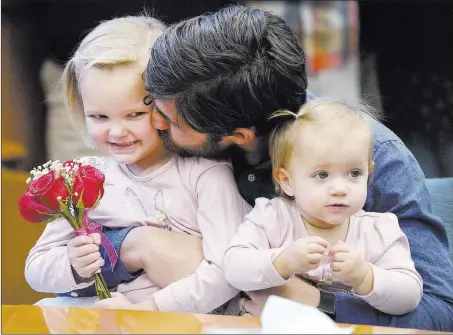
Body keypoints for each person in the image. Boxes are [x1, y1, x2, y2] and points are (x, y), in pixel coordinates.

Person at [124, 5, 452, 330]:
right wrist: (134, 243)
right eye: (152, 104)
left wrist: (321, 304)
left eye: (171, 121)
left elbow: (440, 311)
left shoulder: (371, 156)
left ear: (239, 136)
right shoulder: (190, 121)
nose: (154, 123)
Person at [24, 15, 250, 314]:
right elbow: (36, 268)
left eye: (134, 115)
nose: (117, 132)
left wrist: (148, 310)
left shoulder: (205, 174)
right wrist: (72, 264)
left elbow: (225, 273)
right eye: (99, 117)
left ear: (169, 104)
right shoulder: (82, 177)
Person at [224, 99, 423, 316]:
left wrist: (365, 277)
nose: (340, 189)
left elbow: (410, 295)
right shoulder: (272, 217)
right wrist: (283, 261)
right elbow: (233, 268)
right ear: (287, 181)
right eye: (322, 175)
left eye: (354, 173)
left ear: (369, 173)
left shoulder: (378, 231)